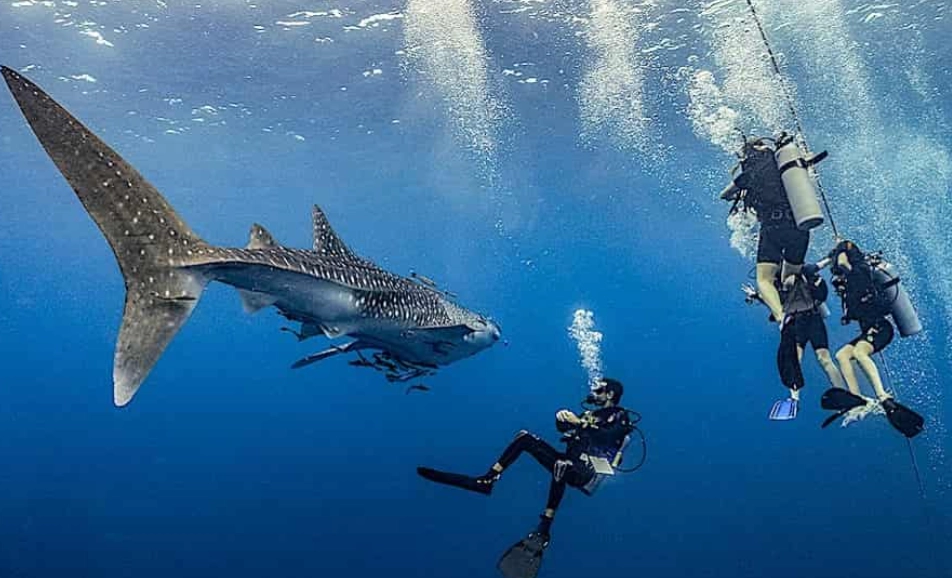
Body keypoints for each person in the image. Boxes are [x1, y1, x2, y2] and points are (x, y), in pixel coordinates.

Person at [416, 378, 635, 578]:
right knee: (525, 438)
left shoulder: (620, 416)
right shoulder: (591, 414)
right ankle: (487, 480)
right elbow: (568, 430)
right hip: (569, 461)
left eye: (598, 389)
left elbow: (610, 436)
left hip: (587, 472)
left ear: (610, 394)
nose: (593, 392)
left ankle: (545, 527)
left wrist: (579, 423)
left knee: (561, 465)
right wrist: (562, 419)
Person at [822, 240, 924, 438]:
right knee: (842, 355)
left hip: (881, 328)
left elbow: (844, 263)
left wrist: (842, 246)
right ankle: (857, 399)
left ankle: (882, 396)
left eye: (837, 273)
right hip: (871, 329)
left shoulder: (857, 274)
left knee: (860, 352)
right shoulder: (851, 281)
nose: (836, 279)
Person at [727, 137, 810, 328]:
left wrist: (739, 184)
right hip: (798, 223)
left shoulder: (747, 173)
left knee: (764, 279)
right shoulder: (783, 163)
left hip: (773, 228)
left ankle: (782, 317)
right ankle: (797, 304)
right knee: (789, 277)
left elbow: (724, 195)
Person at [745, 264, 846, 420]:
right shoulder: (773, 284)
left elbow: (818, 266)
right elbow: (776, 305)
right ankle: (794, 399)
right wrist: (757, 296)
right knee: (795, 359)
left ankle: (843, 395)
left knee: (824, 358)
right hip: (796, 322)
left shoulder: (799, 271)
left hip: (812, 318)